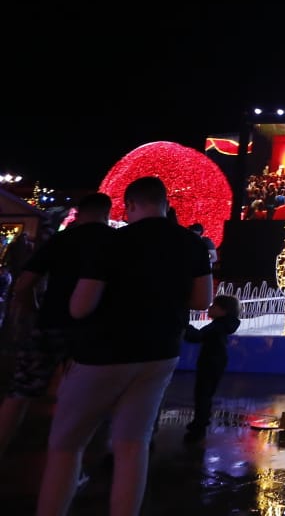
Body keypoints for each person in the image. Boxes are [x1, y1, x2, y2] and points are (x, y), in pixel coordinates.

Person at [35, 175, 212, 516]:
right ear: (164, 204)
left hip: (102, 354)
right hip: (160, 353)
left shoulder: (113, 242)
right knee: (133, 445)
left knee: (66, 444)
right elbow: (202, 299)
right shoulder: (191, 244)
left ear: (130, 205)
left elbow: (80, 306)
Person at [0, 192, 115, 461]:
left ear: (81, 212)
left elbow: (25, 283)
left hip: (51, 323)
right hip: (94, 332)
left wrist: (32, 308)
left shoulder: (63, 240)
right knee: (82, 401)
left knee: (21, 391)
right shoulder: (115, 242)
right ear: (107, 212)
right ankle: (69, 465)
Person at [181, 294, 241, 441]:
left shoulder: (218, 326)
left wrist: (183, 324)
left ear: (223, 310)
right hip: (217, 362)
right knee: (206, 393)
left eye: (214, 306)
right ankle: (201, 422)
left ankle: (199, 425)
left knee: (202, 394)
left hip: (210, 362)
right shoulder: (223, 325)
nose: (209, 308)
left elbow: (197, 337)